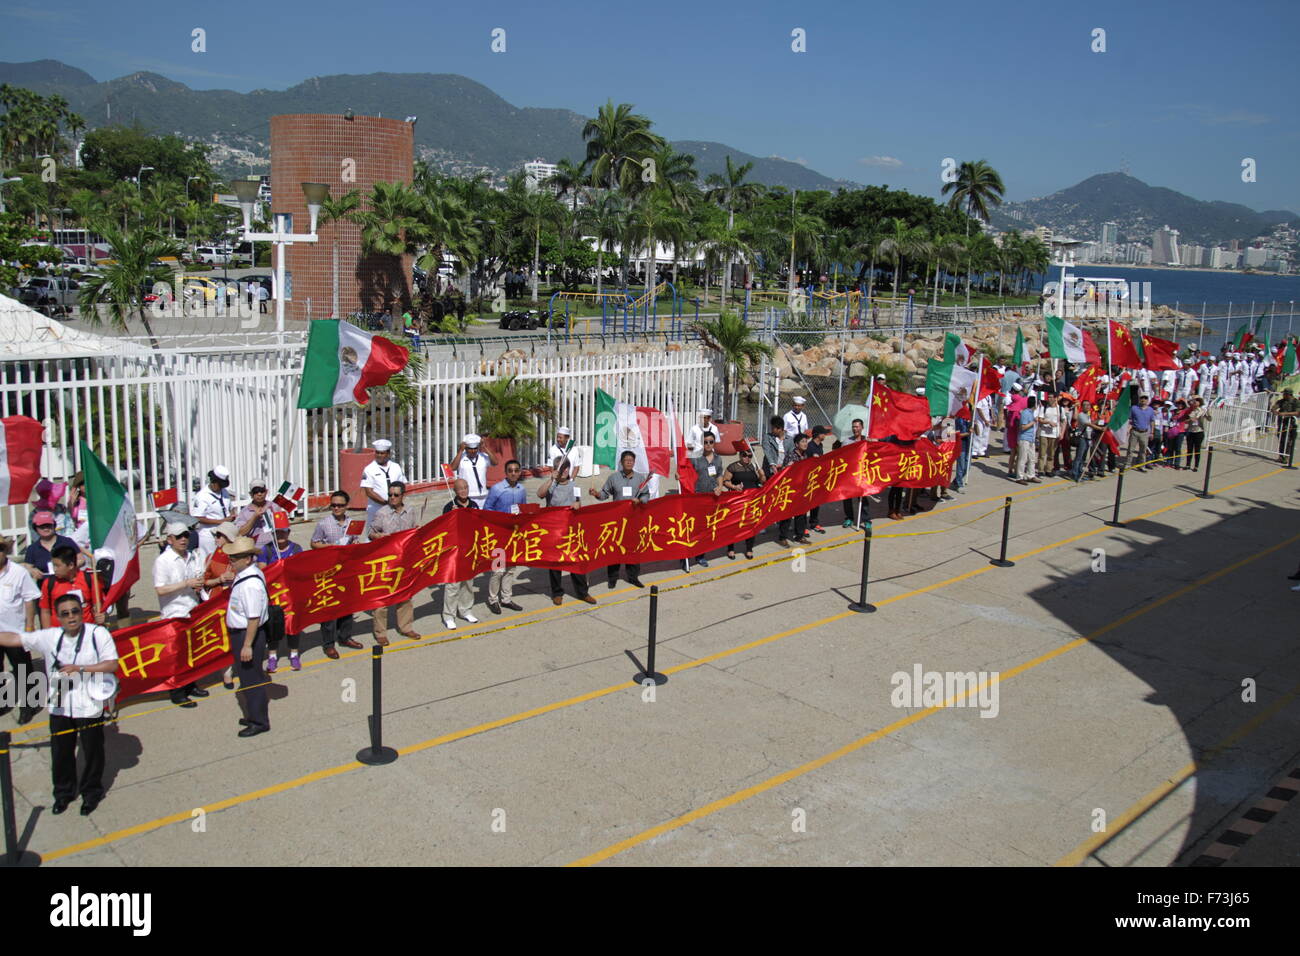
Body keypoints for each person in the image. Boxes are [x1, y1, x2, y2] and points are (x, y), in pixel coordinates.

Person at [0, 592, 118, 814]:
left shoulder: (97, 634)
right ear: (58, 617)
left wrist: (81, 669)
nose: (71, 617)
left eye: (75, 611)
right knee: (61, 752)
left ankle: (91, 793)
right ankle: (63, 794)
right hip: (60, 705)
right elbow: (15, 639)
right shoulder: (50, 637)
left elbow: (112, 664)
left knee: (93, 752)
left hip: (89, 704)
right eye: (65, 614)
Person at [153, 521, 212, 709]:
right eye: (179, 537)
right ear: (170, 539)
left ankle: (190, 684)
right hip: (174, 612)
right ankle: (177, 691)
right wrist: (186, 583)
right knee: (177, 656)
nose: (183, 540)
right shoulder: (163, 561)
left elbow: (196, 578)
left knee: (191, 652)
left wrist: (198, 582)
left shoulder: (191, 556)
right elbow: (161, 589)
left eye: (185, 535)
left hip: (191, 609)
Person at [223, 537, 271, 738]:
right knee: (247, 677)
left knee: (251, 679)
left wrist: (247, 645)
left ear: (248, 559)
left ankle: (259, 721)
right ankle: (253, 713)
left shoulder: (250, 584)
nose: (231, 560)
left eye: (235, 557)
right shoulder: (246, 574)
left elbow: (253, 618)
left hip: (247, 635)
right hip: (243, 633)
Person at [310, 490, 365, 658]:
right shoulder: (324, 524)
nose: (336, 508)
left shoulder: (352, 523)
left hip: (347, 569)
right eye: (333, 505)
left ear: (346, 506)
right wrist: (332, 547)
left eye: (340, 505)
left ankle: (345, 636)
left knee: (347, 606)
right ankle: (328, 644)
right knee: (330, 609)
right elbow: (314, 543)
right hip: (329, 570)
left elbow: (355, 542)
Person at [368, 481, 420, 645]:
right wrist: (379, 537)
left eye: (396, 495)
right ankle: (380, 632)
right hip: (386, 560)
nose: (392, 498)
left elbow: (414, 529)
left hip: (404, 559)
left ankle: (405, 627)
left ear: (403, 495)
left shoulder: (410, 511)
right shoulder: (381, 513)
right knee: (382, 597)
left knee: (405, 595)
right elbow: (371, 533)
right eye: (390, 495)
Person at [538, 459, 596, 605]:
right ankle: (557, 593)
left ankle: (582, 592)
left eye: (566, 468)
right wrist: (551, 479)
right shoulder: (552, 485)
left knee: (575, 561)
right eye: (561, 468)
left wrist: (578, 504)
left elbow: (579, 503)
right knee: (555, 563)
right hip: (554, 530)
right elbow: (540, 494)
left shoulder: (574, 485)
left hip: (570, 530)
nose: (564, 471)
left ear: (569, 470)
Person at [592, 450, 648, 587]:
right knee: (614, 549)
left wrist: (640, 501)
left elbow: (646, 495)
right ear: (621, 462)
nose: (629, 462)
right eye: (626, 460)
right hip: (617, 520)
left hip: (633, 519)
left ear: (634, 462)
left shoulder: (641, 479)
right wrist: (597, 494)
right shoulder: (613, 478)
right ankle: (612, 578)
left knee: (633, 549)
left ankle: (633, 577)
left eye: (631, 460)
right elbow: (605, 494)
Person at [0, 535, 40, 724]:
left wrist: (30, 626)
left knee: (22, 668)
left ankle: (29, 705)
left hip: (14, 632)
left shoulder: (18, 572)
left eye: (0, 549)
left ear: (6, 551)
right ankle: (3, 701)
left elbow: (29, 598)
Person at [483, 460, 529, 613]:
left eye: (516, 470)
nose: (514, 473)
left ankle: (507, 598)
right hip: (499, 535)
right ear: (506, 472)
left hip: (513, 535)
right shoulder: (497, 489)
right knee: (498, 570)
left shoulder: (522, 489)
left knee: (510, 569)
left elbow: (523, 508)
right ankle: (493, 599)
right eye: (510, 470)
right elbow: (487, 509)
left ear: (520, 472)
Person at [257, 524, 304, 672]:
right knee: (273, 626)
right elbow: (262, 571)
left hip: (291, 594)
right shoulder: (267, 549)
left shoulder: (296, 548)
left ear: (288, 533)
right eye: (277, 533)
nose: (281, 535)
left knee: (293, 625)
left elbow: (301, 568)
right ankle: (272, 656)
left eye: (283, 532)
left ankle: (294, 654)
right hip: (274, 595)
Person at [441, 479, 482, 627]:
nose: (464, 491)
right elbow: (443, 530)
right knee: (453, 585)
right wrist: (451, 516)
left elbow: (479, 524)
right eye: (460, 489)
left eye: (466, 487)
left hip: (470, 549)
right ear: (455, 491)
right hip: (454, 551)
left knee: (468, 583)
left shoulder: (474, 505)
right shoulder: (449, 507)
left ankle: (466, 610)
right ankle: (449, 615)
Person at [39, 547, 107, 628]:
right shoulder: (49, 583)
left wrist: (101, 616)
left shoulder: (90, 579)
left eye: (57, 566)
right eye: (53, 565)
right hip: (59, 632)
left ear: (71, 565)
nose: (54, 569)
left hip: (86, 629)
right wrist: (47, 633)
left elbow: (98, 605)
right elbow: (45, 611)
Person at [686, 433, 726, 568]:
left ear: (714, 443)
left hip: (712, 498)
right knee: (694, 527)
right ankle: (686, 555)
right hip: (698, 497)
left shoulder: (718, 459)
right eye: (706, 442)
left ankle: (700, 555)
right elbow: (686, 471)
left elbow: (719, 474)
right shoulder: (696, 459)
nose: (708, 444)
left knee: (706, 528)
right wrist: (679, 474)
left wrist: (720, 487)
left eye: (711, 442)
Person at [722, 444, 764, 559]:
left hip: (751, 500)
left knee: (750, 525)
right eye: (744, 455)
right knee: (734, 525)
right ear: (740, 455)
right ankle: (731, 549)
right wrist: (735, 487)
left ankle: (749, 548)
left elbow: (763, 481)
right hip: (737, 500)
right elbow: (725, 481)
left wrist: (762, 474)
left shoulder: (754, 466)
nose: (747, 458)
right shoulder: (733, 467)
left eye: (750, 456)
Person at [191, 466, 236, 559]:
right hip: (209, 535)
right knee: (210, 559)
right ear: (214, 482)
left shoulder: (224, 492)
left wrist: (232, 515)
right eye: (220, 485)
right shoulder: (202, 496)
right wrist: (221, 521)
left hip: (225, 532)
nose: (221, 488)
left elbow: (230, 507)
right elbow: (197, 517)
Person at [360, 439, 408, 526]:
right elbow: (369, 492)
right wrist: (386, 503)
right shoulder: (369, 469)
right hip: (376, 509)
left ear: (388, 454)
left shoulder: (396, 467)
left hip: (395, 508)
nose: (379, 455)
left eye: (382, 453)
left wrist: (397, 502)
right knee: (374, 534)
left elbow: (402, 486)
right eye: (377, 453)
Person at [22, 510, 77, 578]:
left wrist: (67, 568)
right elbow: (27, 567)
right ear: (35, 528)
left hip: (67, 582)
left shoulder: (67, 542)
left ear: (54, 526)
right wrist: (32, 570)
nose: (46, 529)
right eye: (42, 527)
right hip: (45, 584)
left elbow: (81, 560)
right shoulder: (32, 548)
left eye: (48, 526)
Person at [234, 479, 286, 549]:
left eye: (262, 491)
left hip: (274, 547)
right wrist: (254, 517)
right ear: (251, 494)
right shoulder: (244, 512)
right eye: (256, 492)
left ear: (266, 491)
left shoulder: (274, 507)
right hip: (255, 548)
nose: (259, 494)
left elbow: (284, 528)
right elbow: (240, 532)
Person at [450, 433, 493, 509]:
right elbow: (453, 467)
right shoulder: (461, 457)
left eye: (475, 448)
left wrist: (485, 448)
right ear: (466, 448)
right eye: (470, 449)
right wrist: (460, 451)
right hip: (468, 495)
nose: (473, 451)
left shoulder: (483, 456)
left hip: (483, 494)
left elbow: (495, 462)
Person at [806, 425, 831, 530]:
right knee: (806, 503)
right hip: (809, 479)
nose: (825, 435)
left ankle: (814, 522)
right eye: (823, 433)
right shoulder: (809, 446)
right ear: (818, 435)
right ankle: (802, 526)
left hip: (817, 478)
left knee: (816, 502)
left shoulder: (820, 445)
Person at [1125, 394, 1155, 472]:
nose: (1143, 400)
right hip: (1135, 431)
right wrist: (1128, 429)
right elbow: (1130, 420)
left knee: (1143, 450)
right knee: (1131, 449)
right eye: (1142, 398)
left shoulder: (1150, 410)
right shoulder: (1134, 408)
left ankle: (1141, 465)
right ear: (1139, 399)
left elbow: (1152, 421)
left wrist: (1152, 432)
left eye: (1145, 398)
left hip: (1144, 432)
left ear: (1147, 400)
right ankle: (1128, 464)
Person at [1015, 396, 1039, 484]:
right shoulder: (1025, 413)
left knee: (1032, 458)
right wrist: (1033, 422)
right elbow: (1023, 427)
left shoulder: (1032, 413)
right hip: (1024, 438)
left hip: (1031, 439)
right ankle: (1019, 477)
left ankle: (1031, 475)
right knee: (1023, 458)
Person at [1271, 388, 1298, 463]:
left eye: (1285, 394)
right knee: (1281, 439)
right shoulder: (1282, 401)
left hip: (1290, 423)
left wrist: (1285, 414)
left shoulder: (1295, 402)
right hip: (1281, 422)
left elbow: (1298, 413)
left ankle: (1286, 457)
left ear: (1289, 394)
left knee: (1288, 440)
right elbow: (1275, 406)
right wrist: (1274, 410)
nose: (1283, 395)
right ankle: (1281, 456)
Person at [1036, 394, 1061, 477]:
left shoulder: (1059, 409)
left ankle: (1049, 469)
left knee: (1051, 453)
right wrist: (1048, 422)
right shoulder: (1044, 407)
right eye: (1048, 397)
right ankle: (1040, 470)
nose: (1049, 399)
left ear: (1055, 398)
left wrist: (1062, 433)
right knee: (1042, 453)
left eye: (1051, 397)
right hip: (1044, 432)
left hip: (1054, 434)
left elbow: (1063, 421)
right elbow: (1040, 419)